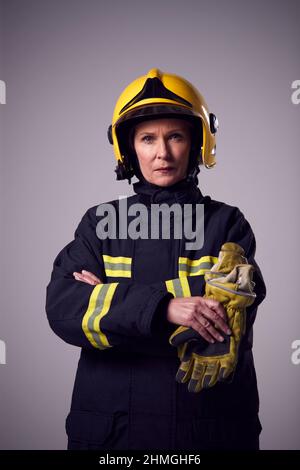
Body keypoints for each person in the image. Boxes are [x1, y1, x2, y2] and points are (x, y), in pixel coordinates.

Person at [46, 68, 266, 450]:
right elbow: (63, 308)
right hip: (114, 440)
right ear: (129, 148)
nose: (162, 153)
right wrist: (166, 308)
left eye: (175, 136)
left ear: (198, 141)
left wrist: (113, 302)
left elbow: (227, 316)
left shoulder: (227, 223)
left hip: (207, 434)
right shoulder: (100, 224)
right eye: (148, 138)